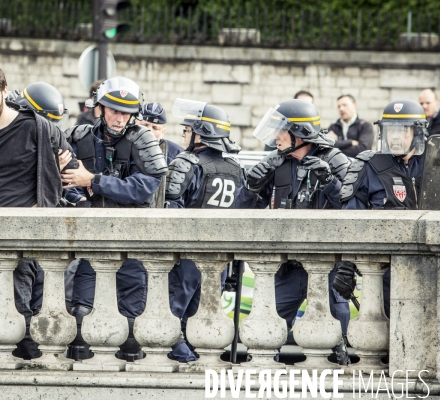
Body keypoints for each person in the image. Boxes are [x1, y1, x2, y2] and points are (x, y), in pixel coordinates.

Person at [0, 63, 76, 360]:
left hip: (23, 237)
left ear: (5, 92)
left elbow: (69, 168)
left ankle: (33, 379)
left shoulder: (36, 127)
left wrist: (51, 179)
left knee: (18, 315)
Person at [235, 99, 352, 364]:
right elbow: (241, 212)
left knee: (337, 321)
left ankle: (340, 370)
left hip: (327, 263)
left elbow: (353, 209)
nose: (276, 136)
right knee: (268, 322)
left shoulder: (335, 160)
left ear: (300, 134)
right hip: (288, 265)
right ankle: (262, 376)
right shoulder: (276, 162)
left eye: (281, 130)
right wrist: (250, 188)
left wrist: (330, 183)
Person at [61, 76, 168, 361]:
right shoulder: (80, 136)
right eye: (114, 110)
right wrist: (79, 199)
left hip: (133, 241)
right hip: (92, 239)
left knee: (132, 323)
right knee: (82, 313)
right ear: (101, 108)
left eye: (126, 112)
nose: (120, 118)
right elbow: (58, 179)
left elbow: (145, 188)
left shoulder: (143, 138)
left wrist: (93, 181)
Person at [165, 99, 244, 362]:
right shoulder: (237, 169)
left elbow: (169, 209)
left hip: (187, 256)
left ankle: (180, 354)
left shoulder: (188, 163)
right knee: (205, 313)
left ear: (202, 134)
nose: (183, 135)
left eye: (187, 130)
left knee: (173, 311)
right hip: (220, 258)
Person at [336, 99, 429, 320]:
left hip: (429, 264)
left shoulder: (436, 162)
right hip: (383, 268)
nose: (395, 136)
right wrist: (346, 267)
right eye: (390, 130)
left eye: (403, 130)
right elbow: (352, 219)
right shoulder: (368, 165)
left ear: (417, 133)